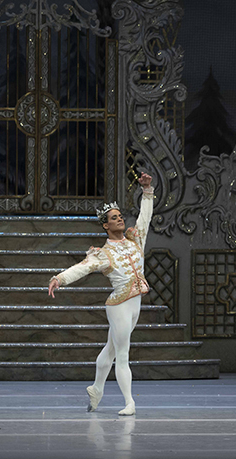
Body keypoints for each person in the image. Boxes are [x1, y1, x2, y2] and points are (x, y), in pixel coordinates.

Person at [47, 173, 155, 416]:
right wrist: (59, 278)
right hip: (119, 306)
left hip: (135, 303)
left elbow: (145, 218)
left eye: (120, 216)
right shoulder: (102, 254)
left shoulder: (135, 240)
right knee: (123, 354)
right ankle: (130, 402)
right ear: (106, 225)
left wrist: (147, 191)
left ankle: (96, 389)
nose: (119, 220)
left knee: (110, 350)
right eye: (114, 218)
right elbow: (81, 268)